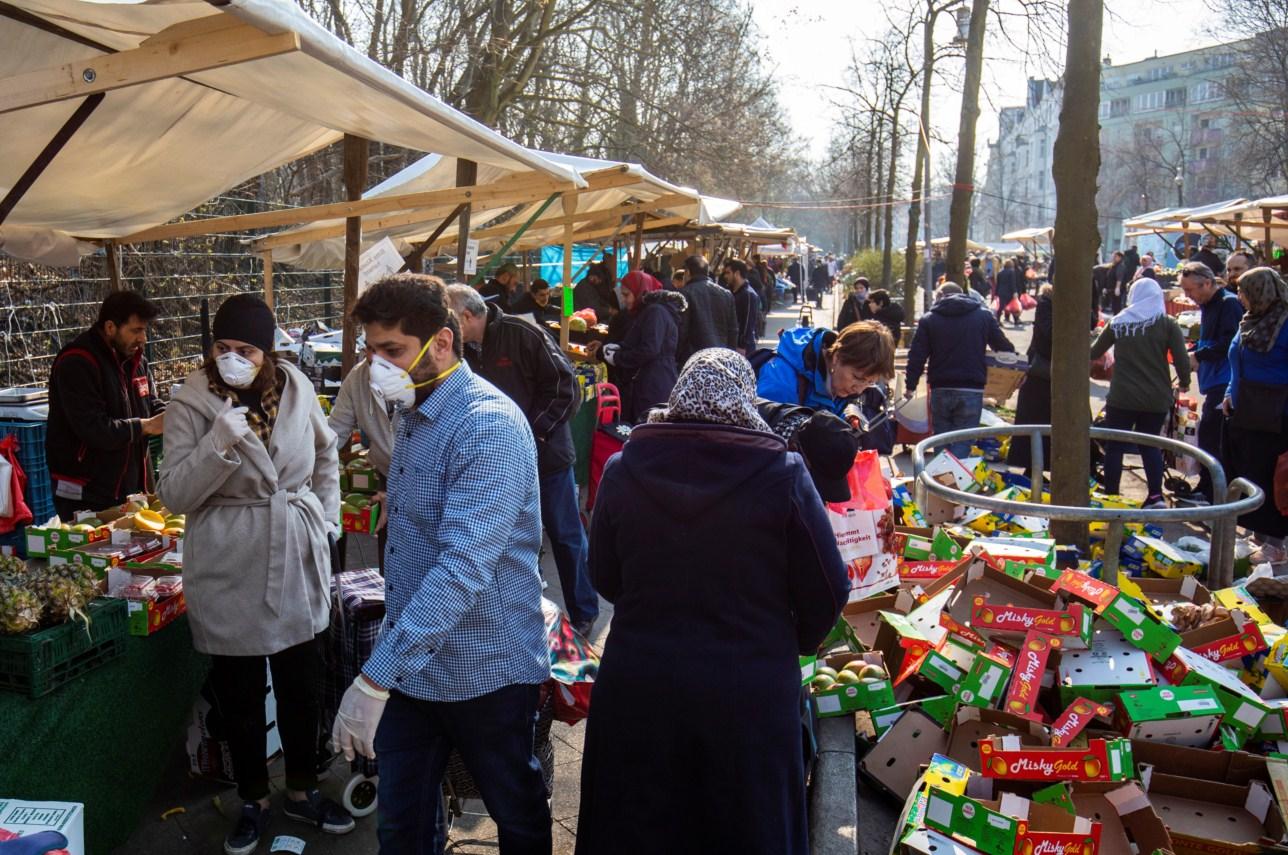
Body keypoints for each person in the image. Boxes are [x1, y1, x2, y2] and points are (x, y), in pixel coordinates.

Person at [577, 348, 849, 855]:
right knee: (745, 827)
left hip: (641, 682)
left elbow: (604, 577)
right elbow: (829, 587)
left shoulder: (621, 467)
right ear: (746, 400)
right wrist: (792, 642)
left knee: (636, 824)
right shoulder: (783, 473)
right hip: (749, 689)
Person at [333, 274, 553, 853]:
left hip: (487, 665)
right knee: (402, 824)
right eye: (372, 351)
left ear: (444, 344)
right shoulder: (412, 412)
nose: (378, 365)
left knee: (516, 809)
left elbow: (462, 567)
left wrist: (375, 677)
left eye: (393, 351)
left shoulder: (488, 425)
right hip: (413, 667)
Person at [157, 294, 352, 854]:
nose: (233, 359)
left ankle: (303, 788)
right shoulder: (189, 400)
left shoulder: (296, 389)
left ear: (267, 353)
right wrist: (217, 441)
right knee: (239, 693)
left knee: (301, 683)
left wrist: (328, 520)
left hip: (294, 545)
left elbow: (327, 453)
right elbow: (173, 493)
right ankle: (252, 798)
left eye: (246, 350)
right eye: (223, 348)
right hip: (228, 554)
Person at [446, 285, 599, 637]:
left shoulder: (524, 333)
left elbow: (566, 388)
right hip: (495, 465)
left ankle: (584, 609)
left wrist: (534, 432)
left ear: (467, 316)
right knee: (513, 539)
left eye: (451, 318)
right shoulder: (460, 349)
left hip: (547, 460)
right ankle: (527, 613)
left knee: (565, 534)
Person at [46, 290, 166, 519]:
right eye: (136, 330)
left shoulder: (137, 360)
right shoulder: (77, 362)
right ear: (110, 327)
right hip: (85, 491)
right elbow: (94, 428)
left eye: (144, 330)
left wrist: (171, 415)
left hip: (126, 487)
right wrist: (146, 426)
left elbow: (149, 401)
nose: (143, 339)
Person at [1089, 278, 1191, 509]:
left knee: (1115, 445)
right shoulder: (1167, 324)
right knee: (1149, 444)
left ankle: (1112, 495)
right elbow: (1181, 359)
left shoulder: (1119, 323)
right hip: (1157, 397)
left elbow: (1095, 351)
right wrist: (1184, 382)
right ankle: (1155, 496)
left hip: (1122, 395)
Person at [904, 284, 1017, 458]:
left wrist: (910, 386)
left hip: (940, 387)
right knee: (963, 439)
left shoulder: (929, 319)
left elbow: (917, 356)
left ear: (940, 295)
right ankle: (955, 480)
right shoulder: (983, 316)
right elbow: (1004, 348)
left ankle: (941, 478)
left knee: (940, 438)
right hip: (971, 387)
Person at [1222, 267, 1288, 564]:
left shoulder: (1285, 322)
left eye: (1244, 291)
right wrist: (1228, 394)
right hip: (1245, 413)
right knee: (1249, 470)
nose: (1239, 296)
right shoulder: (1250, 320)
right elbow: (1236, 362)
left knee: (1271, 475)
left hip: (1276, 416)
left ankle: (1274, 543)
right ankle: (1257, 535)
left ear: (1260, 292)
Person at [1176, 261, 1243, 505]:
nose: (1187, 296)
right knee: (1208, 437)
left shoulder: (1229, 304)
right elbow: (1211, 340)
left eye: (1190, 290)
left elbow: (1229, 343)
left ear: (1206, 283)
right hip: (1212, 380)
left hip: (1224, 381)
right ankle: (1206, 488)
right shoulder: (1209, 305)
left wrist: (1199, 355)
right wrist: (1193, 350)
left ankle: (1212, 494)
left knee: (1210, 438)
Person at [328, 345, 399, 571]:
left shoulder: (427, 381)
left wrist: (401, 495)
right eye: (369, 347)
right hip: (386, 476)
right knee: (391, 568)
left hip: (428, 486)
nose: (373, 357)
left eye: (388, 347)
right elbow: (332, 435)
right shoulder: (358, 378)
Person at [588, 275, 687, 423]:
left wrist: (617, 357)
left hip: (653, 385)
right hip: (652, 381)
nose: (624, 300)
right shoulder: (650, 311)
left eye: (626, 294)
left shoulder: (655, 311)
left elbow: (649, 349)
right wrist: (618, 348)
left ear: (640, 291)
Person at [757, 320, 896, 417]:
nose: (859, 390)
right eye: (857, 378)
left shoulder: (838, 383)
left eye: (870, 382)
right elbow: (765, 446)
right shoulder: (781, 383)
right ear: (837, 357)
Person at [1007, 283, 1054, 473]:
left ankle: (1037, 468)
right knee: (1036, 420)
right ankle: (1033, 468)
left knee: (1043, 421)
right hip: (1041, 374)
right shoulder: (1046, 304)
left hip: (1047, 373)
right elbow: (1048, 334)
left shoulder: (1060, 302)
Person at [675, 255, 738, 363]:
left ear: (688, 272)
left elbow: (682, 330)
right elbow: (733, 330)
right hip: (721, 356)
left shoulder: (684, 294)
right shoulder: (726, 294)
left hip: (693, 359)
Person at [723, 258, 764, 355]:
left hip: (743, 348)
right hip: (731, 344)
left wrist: (742, 346)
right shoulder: (732, 292)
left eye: (728, 273)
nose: (725, 276)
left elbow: (747, 323)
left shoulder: (748, 295)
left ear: (736, 273)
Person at [995, 259, 1022, 326]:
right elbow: (1013, 283)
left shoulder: (1000, 272)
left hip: (1001, 291)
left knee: (1001, 307)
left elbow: (997, 283)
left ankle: (997, 320)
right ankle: (1016, 320)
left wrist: (996, 293)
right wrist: (1015, 292)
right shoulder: (1011, 272)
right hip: (1009, 292)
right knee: (1013, 306)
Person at [1115, 245, 1141, 313]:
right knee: (1127, 291)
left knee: (1122, 290)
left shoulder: (1125, 253)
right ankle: (1125, 305)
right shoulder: (1136, 255)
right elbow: (1138, 263)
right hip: (1131, 274)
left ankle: (1121, 306)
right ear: (1136, 249)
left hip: (1124, 273)